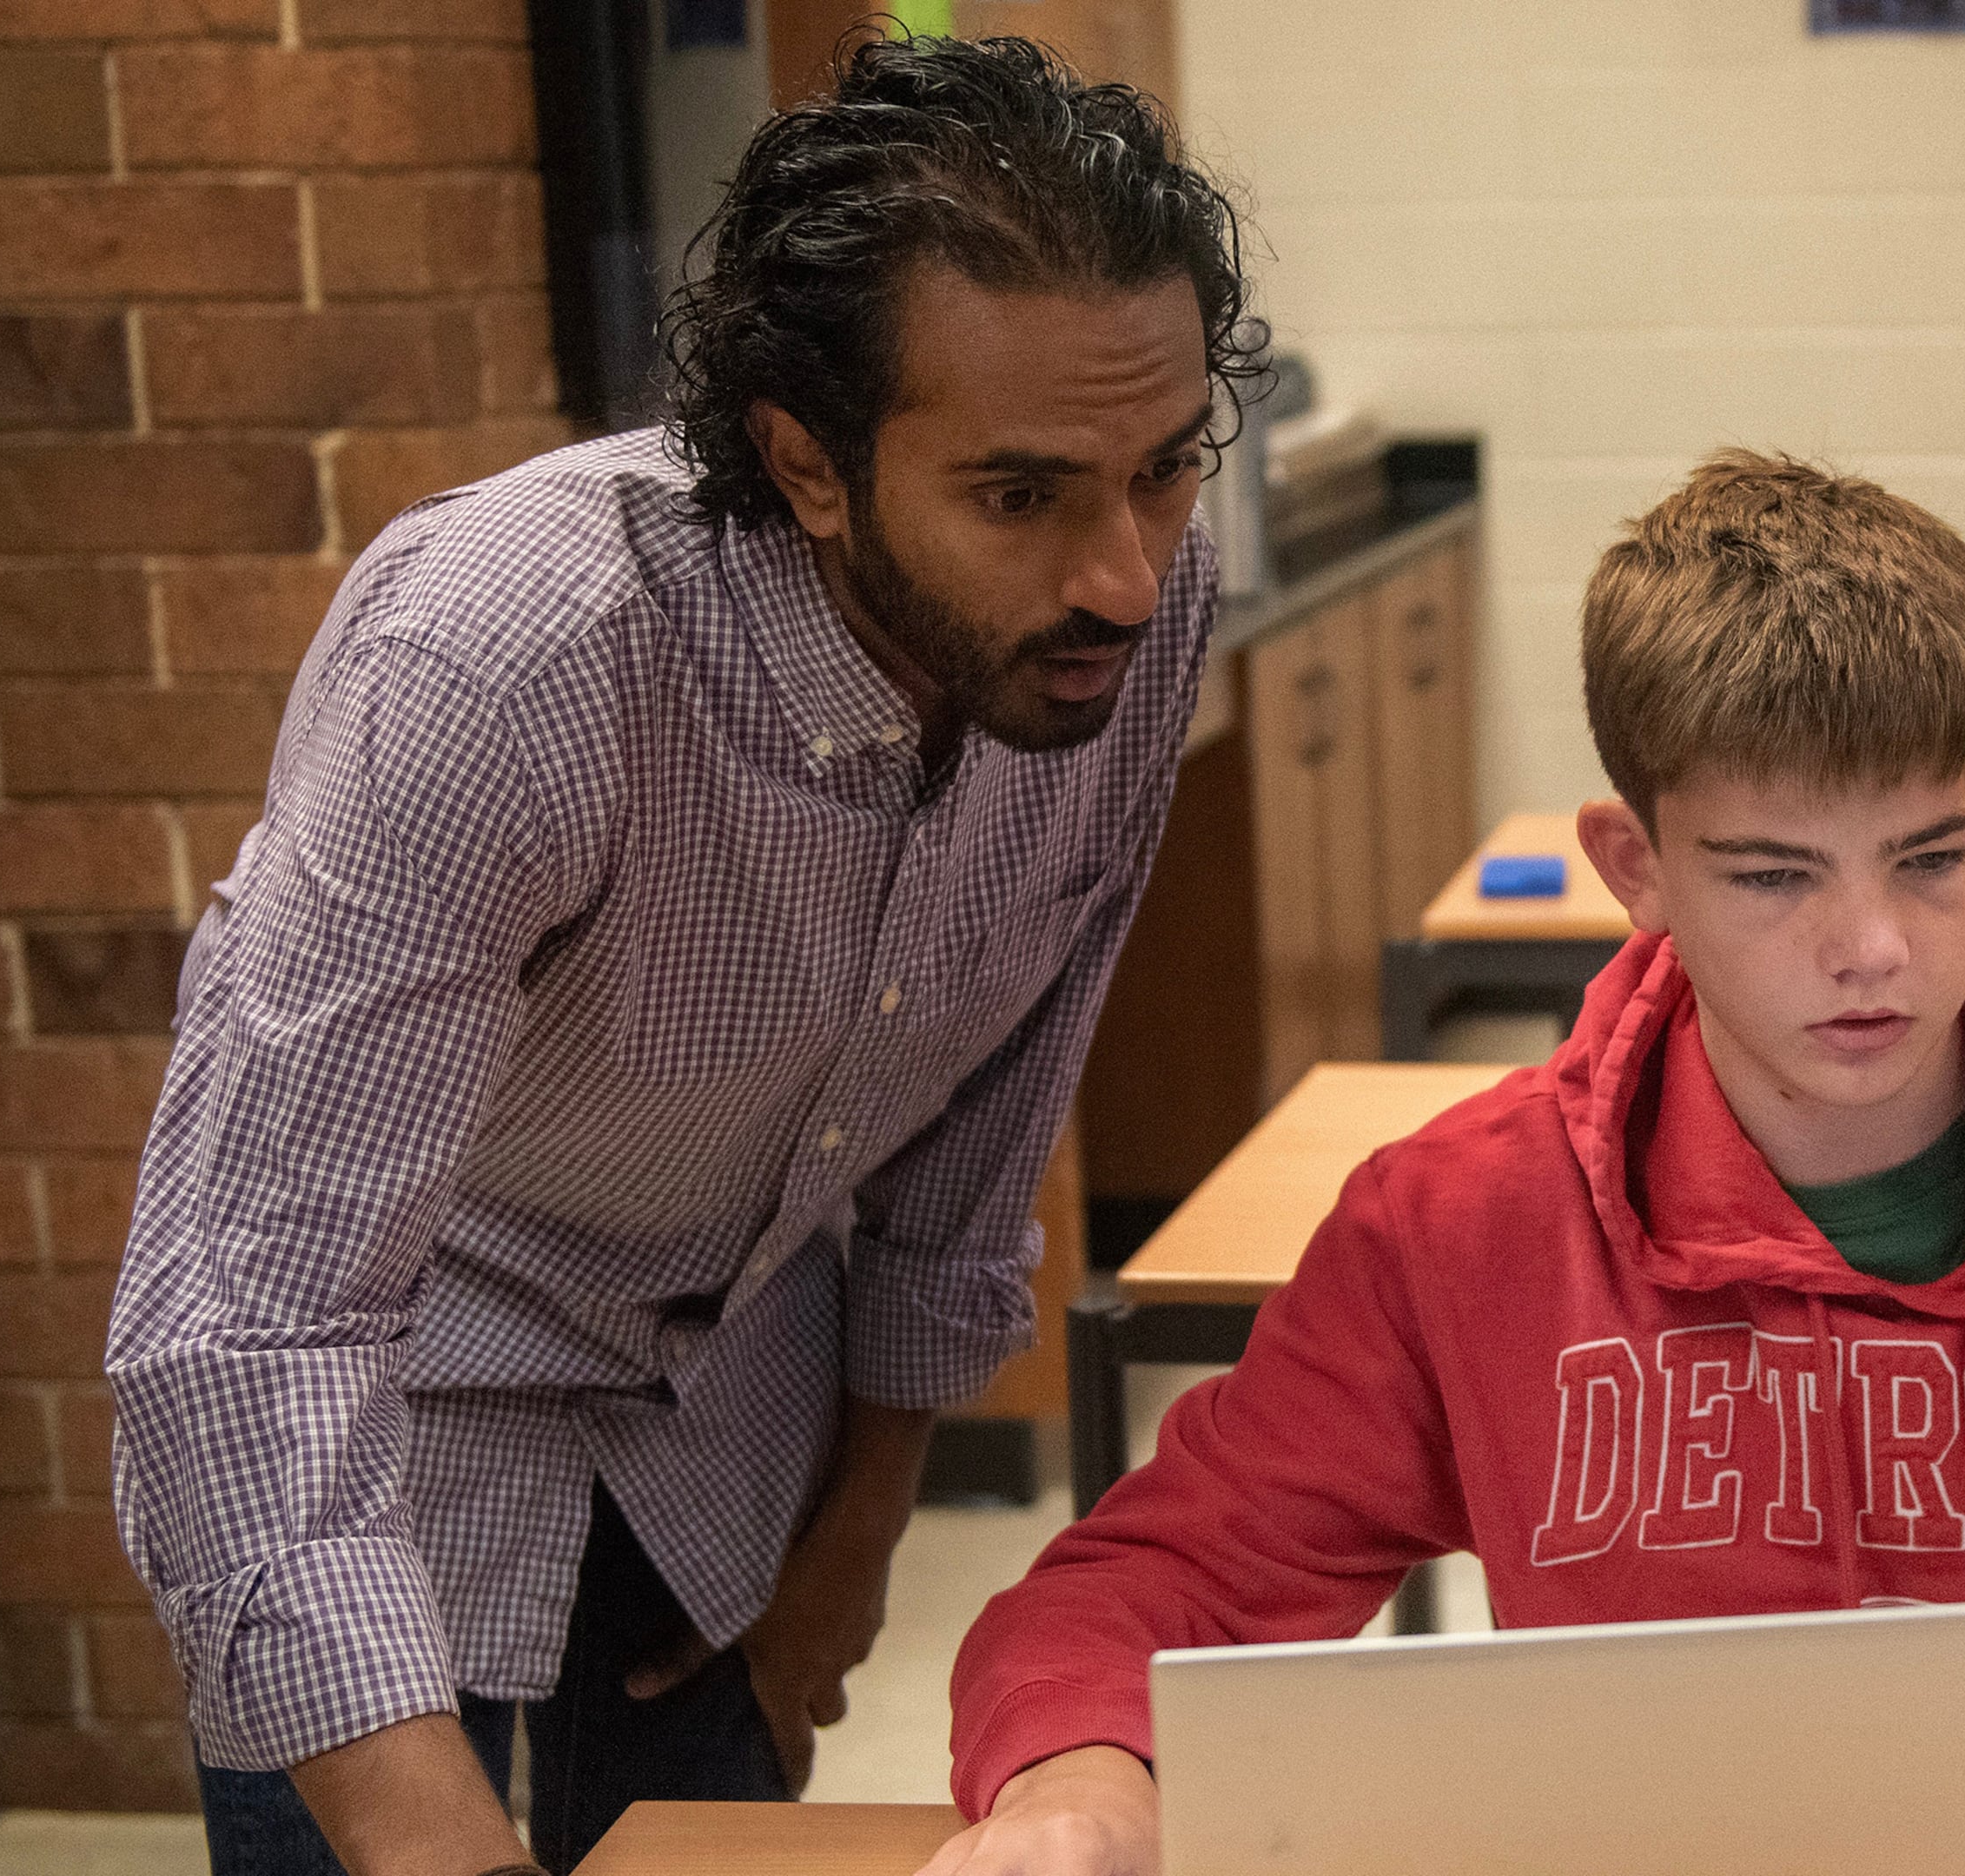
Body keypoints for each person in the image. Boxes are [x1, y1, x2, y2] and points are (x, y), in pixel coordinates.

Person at [925, 451, 1965, 1876]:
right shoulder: (1467, 1225)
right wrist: (1082, 1775)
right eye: (1774, 877)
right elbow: (1144, 1585)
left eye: (1934, 859)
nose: (1871, 949)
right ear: (1634, 867)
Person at [103, 36, 1260, 1876]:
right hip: (392, 1459)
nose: (1123, 571)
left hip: (725, 1465)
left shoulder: (1125, 613)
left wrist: (864, 1531)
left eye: (1166, 469)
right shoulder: (518, 657)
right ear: (808, 463)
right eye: (1023, 495)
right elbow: (253, 1316)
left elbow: (982, 1140)